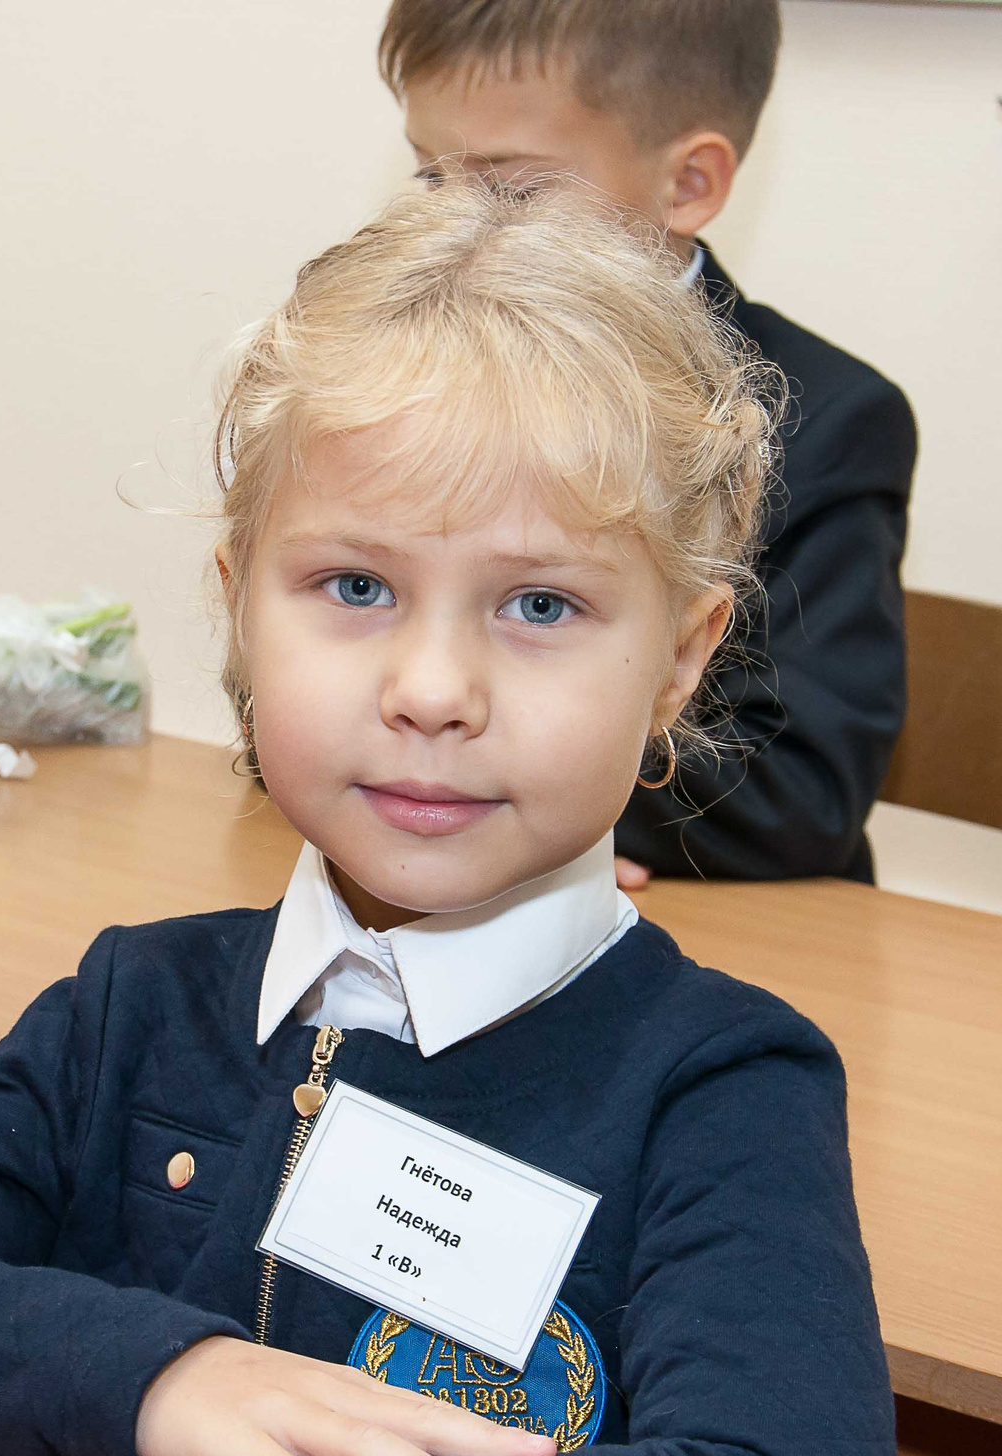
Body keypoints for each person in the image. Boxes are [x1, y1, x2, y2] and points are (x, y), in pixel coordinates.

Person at [0, 184, 893, 1456]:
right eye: (354, 587)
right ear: (239, 616)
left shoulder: (721, 1087)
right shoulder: (142, 1004)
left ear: (680, 662)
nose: (433, 685)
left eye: (539, 603)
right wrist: (170, 1383)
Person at [383, 0, 916, 886]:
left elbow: (797, 793)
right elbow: (294, 683)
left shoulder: (824, 418)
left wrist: (532, 817)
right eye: (431, 183)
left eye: (512, 187)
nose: (457, 228)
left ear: (690, 183)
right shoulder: (388, 380)